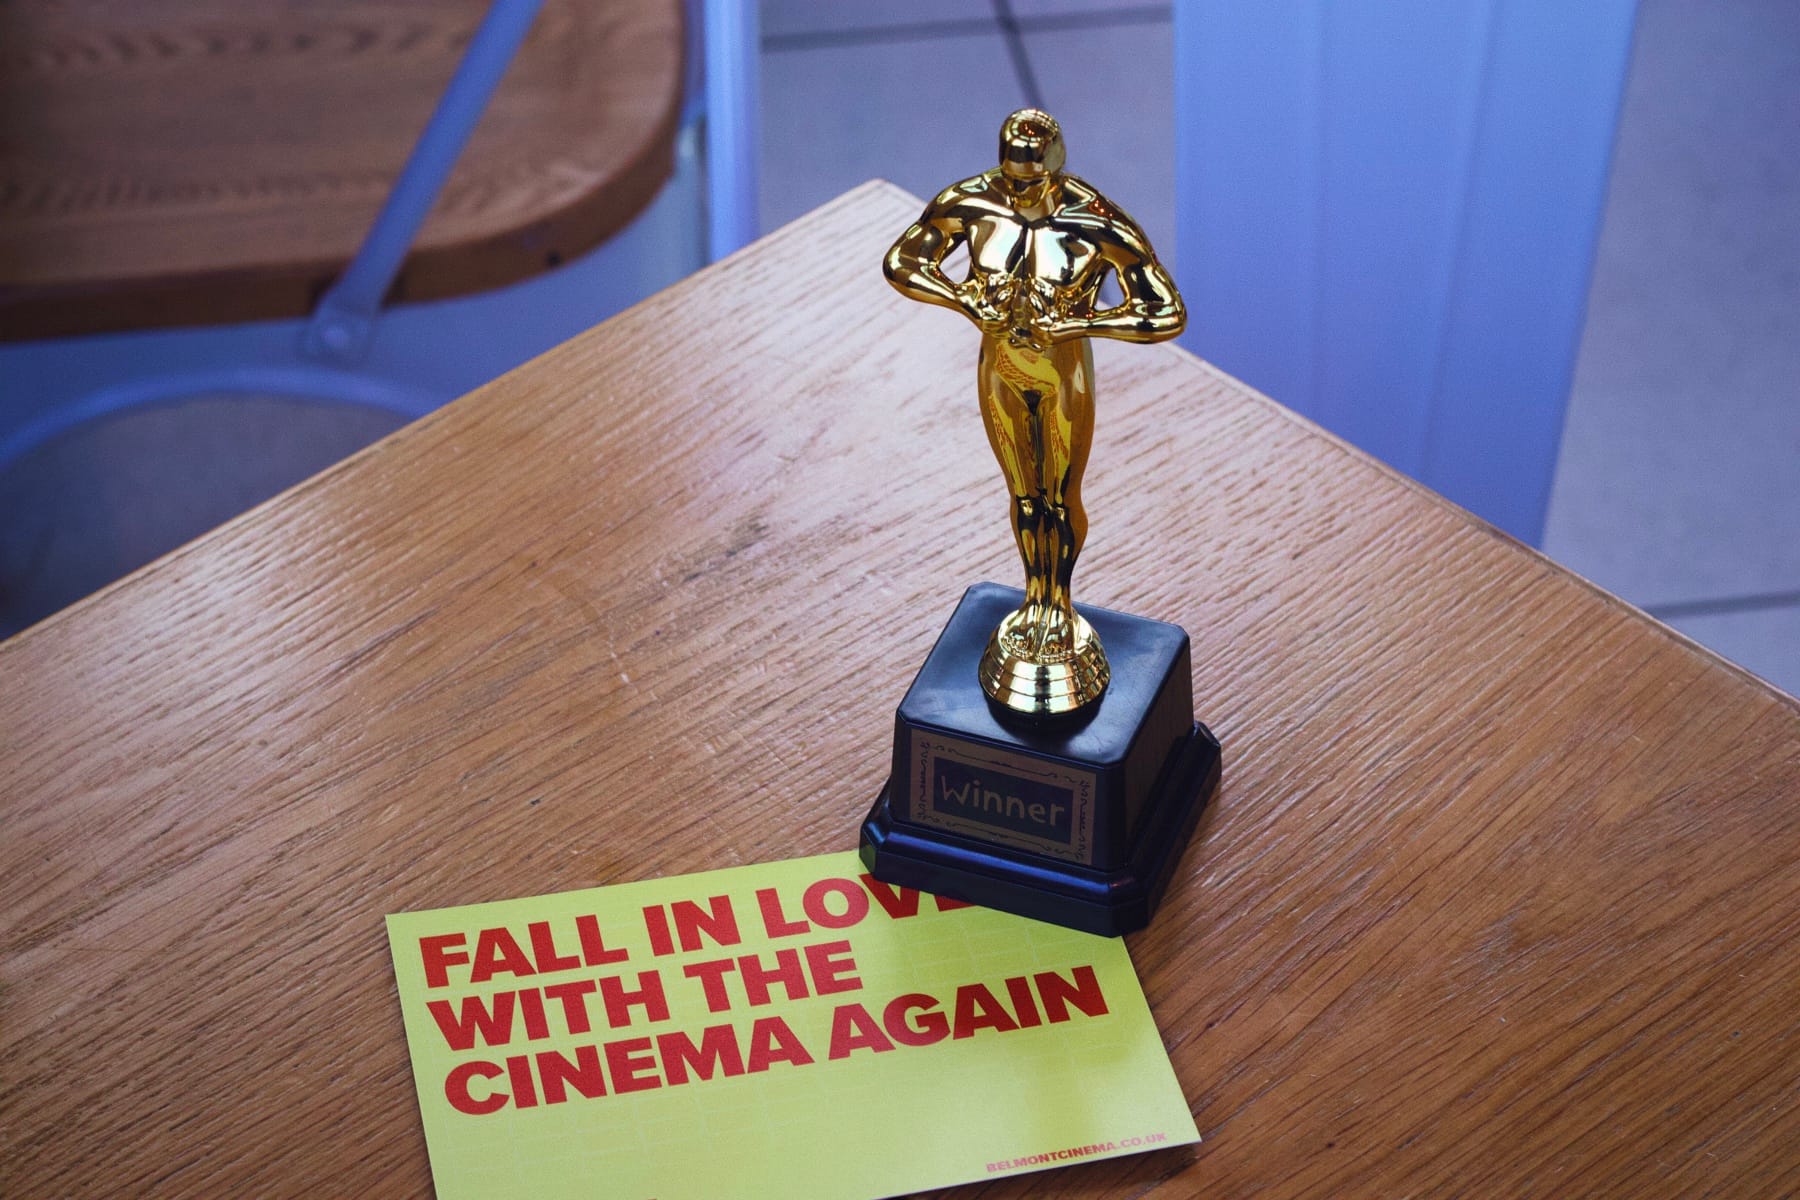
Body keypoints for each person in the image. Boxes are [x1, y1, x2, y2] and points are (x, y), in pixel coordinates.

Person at [883, 108, 1186, 713]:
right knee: (1024, 496)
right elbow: (903, 262)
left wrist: (1078, 320)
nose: (1020, 194)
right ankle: (1034, 601)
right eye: (1012, 180)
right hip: (1001, 368)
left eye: (1032, 183)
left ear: (1055, 169)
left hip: (1062, 375)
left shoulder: (1094, 223)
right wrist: (965, 299)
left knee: (1060, 496)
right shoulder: (972, 204)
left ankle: (1059, 605)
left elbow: (1165, 310)